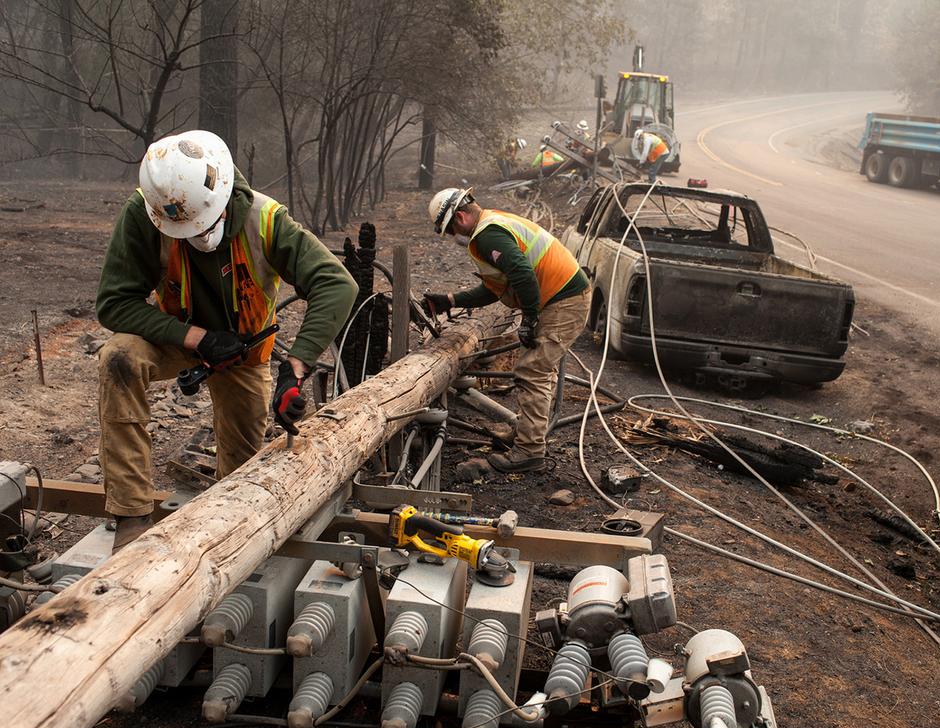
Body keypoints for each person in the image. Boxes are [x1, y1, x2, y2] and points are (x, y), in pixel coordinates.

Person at [96, 130, 358, 550]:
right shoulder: (148, 213)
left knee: (242, 474)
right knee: (119, 358)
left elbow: (337, 284)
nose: (194, 235)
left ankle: (226, 539)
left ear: (221, 195)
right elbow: (113, 304)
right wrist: (195, 337)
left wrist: (296, 366)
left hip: (245, 352)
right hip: (174, 336)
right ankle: (131, 514)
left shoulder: (265, 219)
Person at [421, 188, 591, 473]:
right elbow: (494, 289)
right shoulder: (492, 223)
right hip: (559, 296)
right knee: (535, 367)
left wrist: (529, 318)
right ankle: (528, 434)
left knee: (532, 370)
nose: (454, 239)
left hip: (563, 300)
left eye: (450, 232)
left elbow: (523, 274)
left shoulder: (487, 235)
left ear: (459, 218)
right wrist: (451, 301)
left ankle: (529, 452)